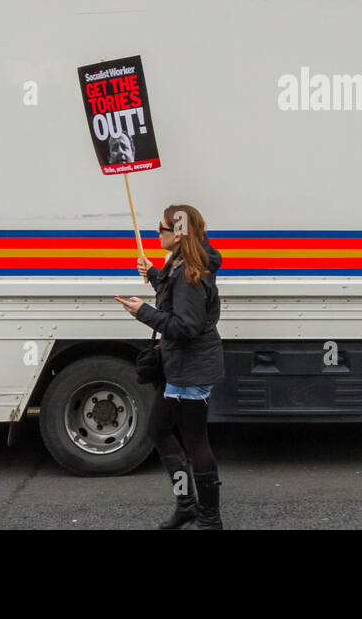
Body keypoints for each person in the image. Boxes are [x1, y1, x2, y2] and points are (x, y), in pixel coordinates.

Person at [116, 204, 225, 529]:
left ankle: (209, 519)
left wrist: (143, 312)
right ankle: (188, 505)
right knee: (158, 430)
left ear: (177, 234)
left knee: (196, 442)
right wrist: (154, 275)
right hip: (179, 365)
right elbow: (175, 300)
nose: (157, 233)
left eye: (161, 228)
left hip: (190, 368)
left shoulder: (191, 272)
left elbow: (185, 326)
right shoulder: (179, 263)